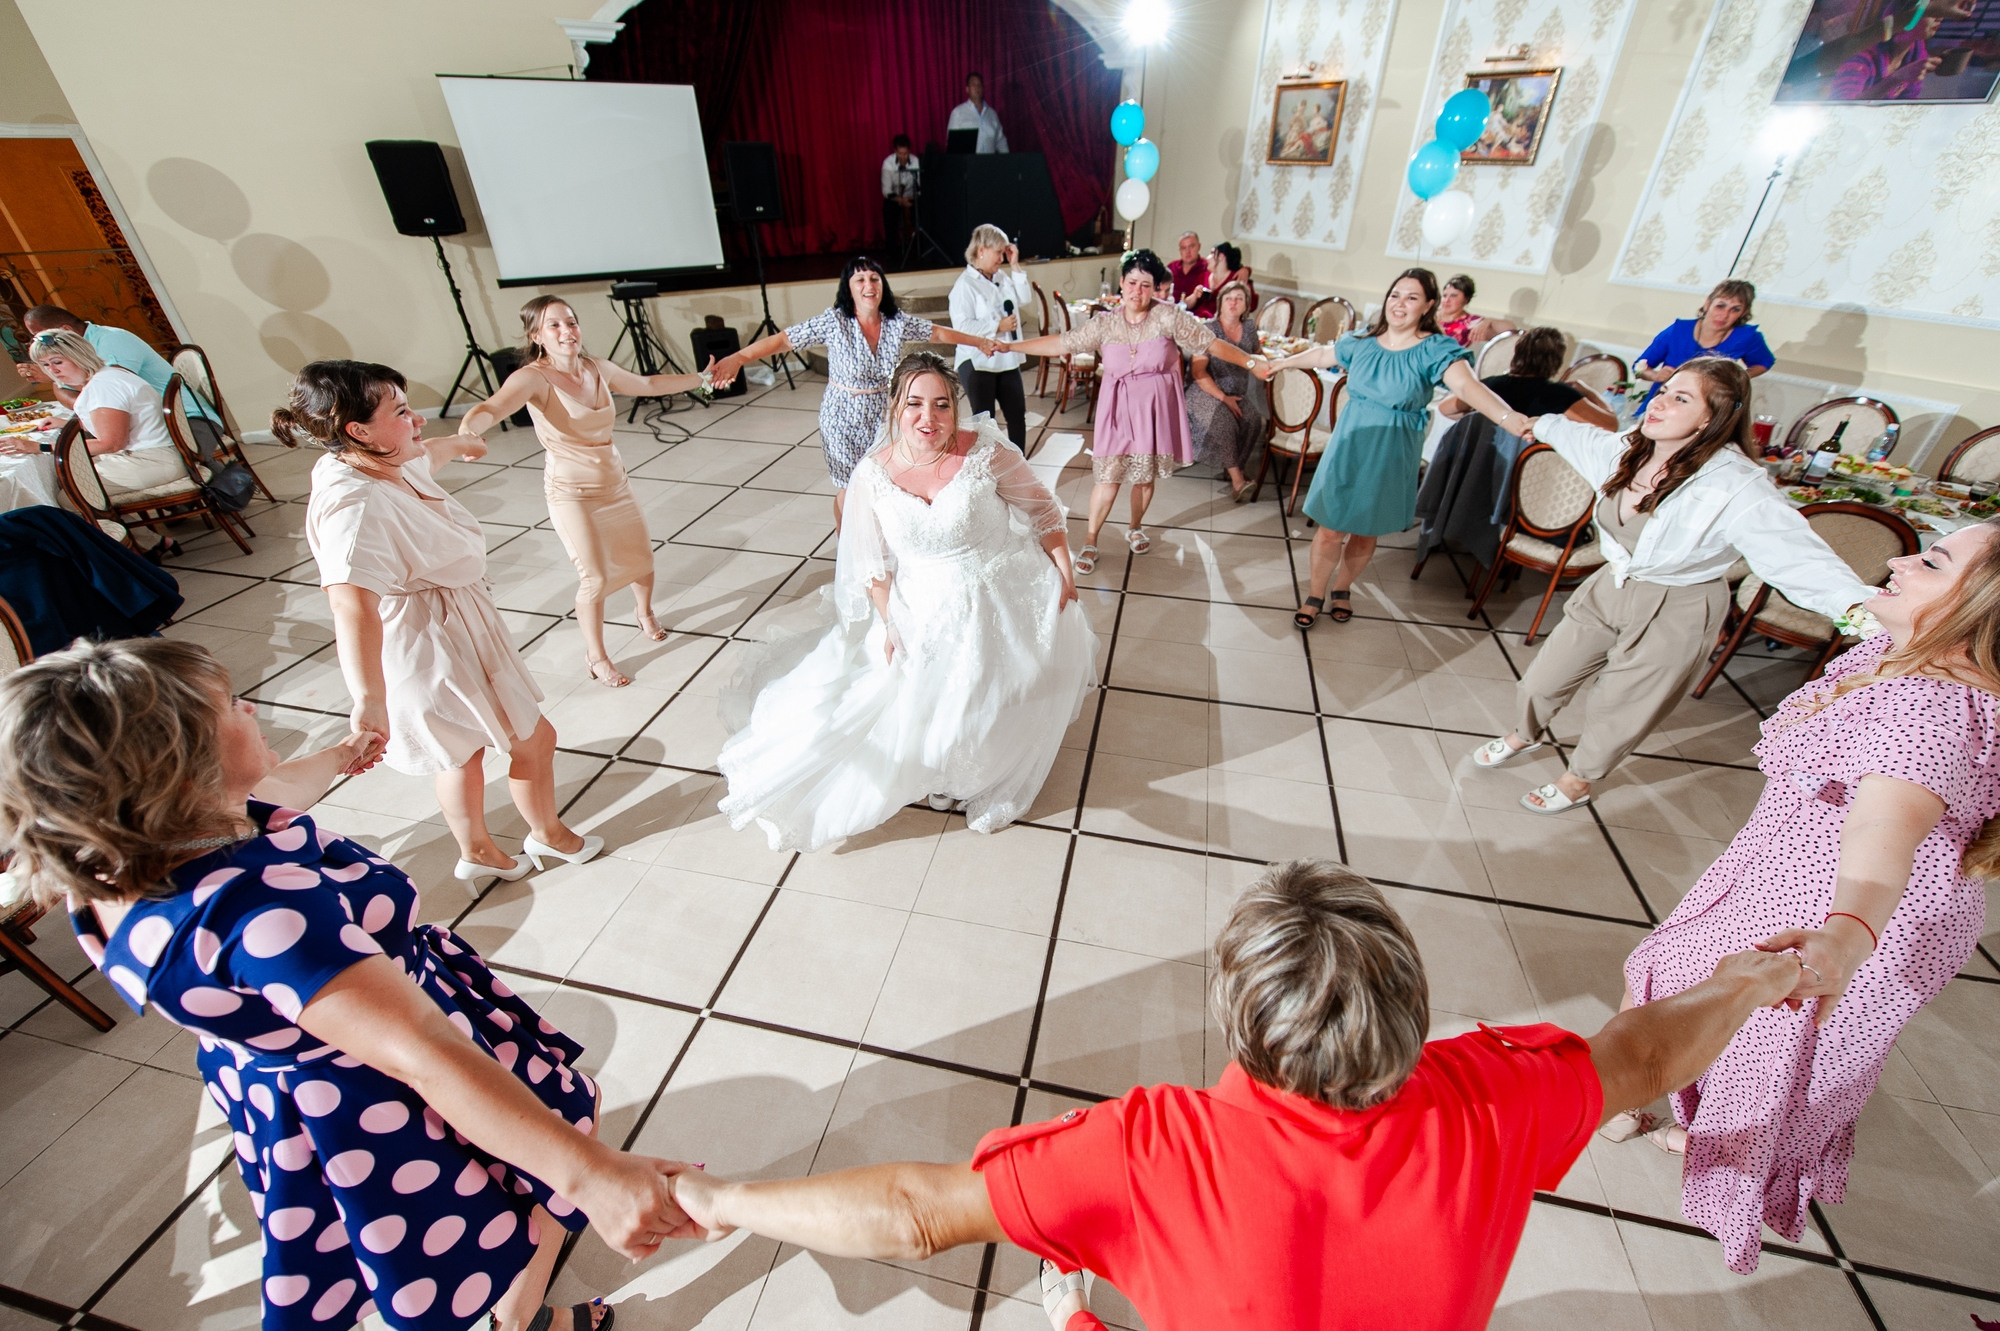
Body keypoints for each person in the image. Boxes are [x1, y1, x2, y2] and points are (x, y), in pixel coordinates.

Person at [661, 858, 1807, 1331]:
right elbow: (1642, 1055)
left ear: (1236, 1018)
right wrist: (1750, 979)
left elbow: (915, 1213)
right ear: (1410, 1005)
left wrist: (720, 1200)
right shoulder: (1496, 1094)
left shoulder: (1152, 1148)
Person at [0, 637, 697, 1331]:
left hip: (288, 1082)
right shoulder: (258, 914)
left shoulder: (117, 862)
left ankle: (519, 1316)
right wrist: (590, 1176)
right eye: (230, 707)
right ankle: (519, 1323)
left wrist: (342, 756)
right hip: (374, 1082)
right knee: (530, 1169)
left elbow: (269, 791)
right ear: (179, 773)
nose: (250, 707)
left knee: (467, 1200)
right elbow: (419, 1047)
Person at [1606, 517, 2000, 1274]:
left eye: (1932, 562)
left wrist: (1846, 935)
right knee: (1681, 986)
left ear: (1980, 610)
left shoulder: (1932, 705)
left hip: (1840, 910)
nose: (1899, 561)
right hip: (1796, 882)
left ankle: (1693, 1134)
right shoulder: (1905, 656)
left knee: (1750, 1036)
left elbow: (1884, 831)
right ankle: (1663, 1108)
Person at [716, 353, 1094, 851]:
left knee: (996, 691)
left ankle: (983, 769)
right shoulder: (871, 476)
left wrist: (1064, 571)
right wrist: (889, 621)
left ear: (955, 407)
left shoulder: (987, 453)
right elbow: (874, 565)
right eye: (914, 403)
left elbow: (1043, 509)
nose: (928, 418)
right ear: (895, 406)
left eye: (941, 405)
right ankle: (945, 770)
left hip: (1002, 589)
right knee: (920, 701)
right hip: (923, 605)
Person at [1470, 357, 1875, 814]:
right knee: (1542, 680)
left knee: (1622, 705)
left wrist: (1866, 614)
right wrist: (1533, 423)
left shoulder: (1738, 485)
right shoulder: (1626, 448)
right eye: (1663, 391)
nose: (1659, 403)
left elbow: (1799, 559)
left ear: (1710, 418)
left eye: (1680, 398)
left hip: (1681, 604)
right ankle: (1524, 734)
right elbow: (1569, 433)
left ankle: (1579, 779)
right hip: (1611, 585)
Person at [277, 359, 602, 887]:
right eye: (402, 412)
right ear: (359, 431)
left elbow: (426, 454)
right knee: (532, 738)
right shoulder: (353, 506)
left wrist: (460, 443)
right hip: (428, 642)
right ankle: (548, 834)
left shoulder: (375, 457)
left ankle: (478, 850)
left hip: (453, 624)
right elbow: (351, 605)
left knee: (460, 752)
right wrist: (369, 700)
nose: (418, 420)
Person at [453, 297, 718, 689]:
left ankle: (644, 613)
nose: (567, 331)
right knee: (594, 577)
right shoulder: (532, 378)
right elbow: (492, 408)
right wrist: (468, 431)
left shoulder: (597, 368)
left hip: (615, 482)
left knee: (641, 558)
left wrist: (701, 378)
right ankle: (596, 657)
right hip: (572, 492)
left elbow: (647, 384)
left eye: (572, 322)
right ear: (536, 336)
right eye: (555, 325)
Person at [1260, 268, 1529, 628]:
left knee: (1366, 530)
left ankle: (1343, 587)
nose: (1399, 304)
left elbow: (1467, 388)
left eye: (1412, 297)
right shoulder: (1362, 342)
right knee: (1330, 528)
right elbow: (1323, 355)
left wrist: (1509, 418)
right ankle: (1315, 594)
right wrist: (1281, 362)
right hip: (1351, 444)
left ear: (1429, 305)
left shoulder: (1435, 349)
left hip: (1393, 449)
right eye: (1395, 295)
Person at [1010, 249, 1269, 573]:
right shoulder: (1105, 323)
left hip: (1153, 410)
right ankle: (1091, 538)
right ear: (1121, 283)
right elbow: (1060, 343)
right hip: (1117, 410)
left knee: (1144, 479)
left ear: (1154, 288)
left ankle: (1135, 526)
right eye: (1132, 283)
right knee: (1108, 479)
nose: (1137, 291)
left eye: (1145, 285)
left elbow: (1210, 343)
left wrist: (1250, 362)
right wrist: (1010, 346)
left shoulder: (1168, 316)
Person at [713, 256, 999, 522]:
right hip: (841, 420)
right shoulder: (834, 322)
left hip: (882, 417)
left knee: (882, 482)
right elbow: (784, 340)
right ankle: (848, 549)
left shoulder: (895, 322)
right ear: (848, 288)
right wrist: (738, 358)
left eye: (874, 279)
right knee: (850, 488)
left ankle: (878, 542)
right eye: (859, 280)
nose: (868, 285)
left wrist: (979, 342)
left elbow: (936, 333)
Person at [29, 328, 190, 556]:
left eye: (57, 362)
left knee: (71, 496)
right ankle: (149, 544)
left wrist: (40, 447)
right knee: (73, 477)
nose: (52, 371)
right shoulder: (107, 374)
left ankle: (126, 555)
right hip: (156, 453)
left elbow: (110, 444)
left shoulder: (104, 387)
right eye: (45, 365)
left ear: (78, 355)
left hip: (154, 461)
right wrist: (66, 423)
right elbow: (113, 422)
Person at [22, 303, 225, 450]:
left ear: (65, 330)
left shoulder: (111, 341)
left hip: (189, 422)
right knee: (75, 454)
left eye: (41, 336)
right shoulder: (76, 354)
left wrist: (54, 378)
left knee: (77, 463)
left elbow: (109, 399)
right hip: (151, 424)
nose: (38, 342)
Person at [947, 224, 1034, 451]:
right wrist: (997, 326)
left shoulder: (1002, 277)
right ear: (981, 250)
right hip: (977, 361)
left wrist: (1015, 264)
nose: (1001, 259)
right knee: (985, 422)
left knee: (1017, 415)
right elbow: (961, 327)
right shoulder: (964, 285)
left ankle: (1018, 464)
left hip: (1006, 357)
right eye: (998, 252)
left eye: (1004, 253)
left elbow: (1025, 298)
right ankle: (987, 466)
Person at [1437, 324, 1618, 429]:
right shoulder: (1559, 394)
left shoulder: (1490, 385)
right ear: (1556, 361)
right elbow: (1610, 426)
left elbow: (1445, 409)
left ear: (1517, 353)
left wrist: (1481, 419)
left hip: (1483, 462)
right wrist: (1587, 392)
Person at [1186, 281, 1267, 502]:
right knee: (1224, 421)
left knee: (1253, 420)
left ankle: (1235, 468)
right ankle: (1238, 481)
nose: (1233, 303)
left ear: (1246, 305)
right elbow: (1198, 372)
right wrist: (1223, 398)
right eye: (1228, 298)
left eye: (1239, 299)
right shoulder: (1208, 330)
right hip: (1205, 390)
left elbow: (1258, 353)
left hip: (1236, 392)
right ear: (1220, 303)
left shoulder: (1249, 328)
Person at [1634, 280, 1774, 405]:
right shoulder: (1678, 330)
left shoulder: (1747, 337)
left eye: (1735, 309)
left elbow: (1764, 362)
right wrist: (1655, 375)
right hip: (1663, 402)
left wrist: (1736, 378)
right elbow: (1638, 368)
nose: (1724, 315)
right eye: (1720, 306)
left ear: (1744, 312)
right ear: (1708, 304)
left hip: (1708, 407)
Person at [1435, 274, 1516, 348]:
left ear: (1466, 299)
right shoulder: (1431, 314)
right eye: (1444, 295)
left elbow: (1510, 329)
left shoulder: (1471, 322)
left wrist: (1488, 321)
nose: (1447, 300)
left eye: (1453, 296)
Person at [1189, 241, 1256, 318]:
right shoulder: (1203, 276)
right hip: (1197, 320)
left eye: (1212, 253)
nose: (1207, 258)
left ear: (1221, 256)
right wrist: (1195, 295)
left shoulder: (1236, 279)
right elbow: (1186, 304)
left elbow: (1251, 306)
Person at [947, 72, 1008, 153]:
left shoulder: (992, 114)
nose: (977, 87)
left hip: (990, 160)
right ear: (967, 89)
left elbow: (1001, 142)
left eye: (979, 84)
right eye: (973, 85)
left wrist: (1008, 158)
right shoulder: (958, 113)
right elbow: (952, 144)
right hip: (969, 160)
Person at [881, 134, 920, 250]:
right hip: (895, 198)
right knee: (889, 211)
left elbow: (920, 187)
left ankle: (916, 246)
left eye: (905, 154)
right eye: (900, 154)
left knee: (921, 211)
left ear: (909, 151)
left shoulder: (916, 162)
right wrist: (901, 200)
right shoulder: (888, 164)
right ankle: (892, 250)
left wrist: (910, 198)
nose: (903, 157)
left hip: (911, 197)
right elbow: (886, 191)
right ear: (895, 151)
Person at [1165, 231, 1210, 308]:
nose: (1188, 251)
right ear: (1179, 250)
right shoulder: (1172, 267)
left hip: (1196, 313)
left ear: (1199, 246)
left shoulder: (1207, 267)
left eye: (1191, 246)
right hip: (1170, 310)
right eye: (1183, 248)